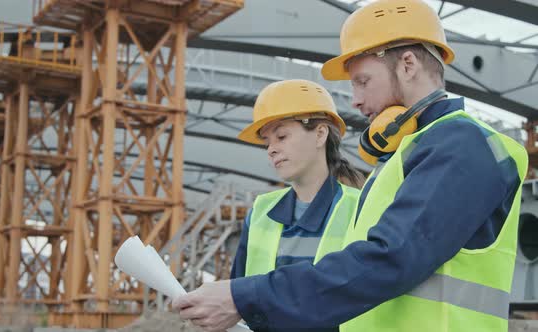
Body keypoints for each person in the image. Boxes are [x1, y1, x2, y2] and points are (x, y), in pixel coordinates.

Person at [172, 1, 529, 331]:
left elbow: (389, 258)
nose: (355, 100)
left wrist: (244, 296)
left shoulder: (461, 145)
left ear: (407, 64)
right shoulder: (407, 154)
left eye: (362, 81)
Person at [231, 79, 363, 332]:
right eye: (267, 142)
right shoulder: (260, 213)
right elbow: (237, 296)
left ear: (320, 134)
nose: (271, 149)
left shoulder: (359, 209)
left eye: (281, 136)